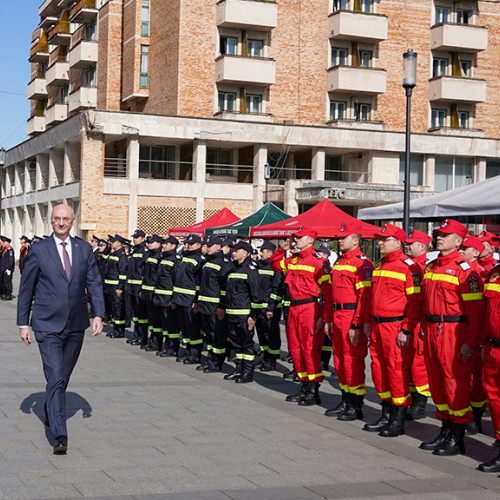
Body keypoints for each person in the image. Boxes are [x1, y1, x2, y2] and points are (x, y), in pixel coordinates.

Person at [17, 204, 104, 454]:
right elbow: (26, 289)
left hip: (76, 323)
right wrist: (24, 323)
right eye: (57, 219)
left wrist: (98, 313)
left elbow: (94, 283)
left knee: (63, 376)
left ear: (73, 220)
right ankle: (60, 434)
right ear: (51, 221)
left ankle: (49, 409)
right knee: (55, 375)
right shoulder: (39, 250)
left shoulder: (84, 248)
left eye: (66, 219)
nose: (62, 223)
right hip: (46, 324)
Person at [419, 219, 484, 456]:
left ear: (458, 241)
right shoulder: (431, 266)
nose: (439, 237)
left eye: (445, 235)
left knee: (454, 383)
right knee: (437, 383)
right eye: (438, 234)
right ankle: (445, 430)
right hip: (433, 332)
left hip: (454, 334)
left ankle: (458, 438)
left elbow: (476, 314)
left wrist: (470, 341)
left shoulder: (465, 271)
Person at [363, 224, 421, 437]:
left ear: (398, 243)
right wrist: (369, 321)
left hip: (395, 326)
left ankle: (397, 420)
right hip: (378, 326)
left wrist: (406, 329)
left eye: (384, 240)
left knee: (396, 372)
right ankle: (386, 414)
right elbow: (372, 298)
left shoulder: (408, 267)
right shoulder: (379, 265)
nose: (379, 243)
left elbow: (415, 303)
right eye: (379, 239)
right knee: (378, 370)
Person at [271, 228, 332, 406]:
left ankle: (313, 390)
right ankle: (304, 385)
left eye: (299, 238)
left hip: (310, 309)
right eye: (295, 237)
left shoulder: (319, 262)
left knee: (309, 349)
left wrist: (326, 316)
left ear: (310, 240)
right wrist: (282, 249)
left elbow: (328, 293)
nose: (295, 240)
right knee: (295, 349)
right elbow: (275, 264)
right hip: (294, 308)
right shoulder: (293, 260)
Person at [324, 222, 373, 421]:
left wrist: (356, 324)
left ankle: (356, 404)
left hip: (351, 316)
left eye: (343, 238)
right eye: (339, 237)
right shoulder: (340, 262)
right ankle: (345, 400)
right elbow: (330, 294)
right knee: (340, 360)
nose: (340, 240)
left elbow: (365, 298)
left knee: (353, 360)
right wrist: (327, 319)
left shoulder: (363, 263)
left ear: (355, 240)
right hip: (337, 316)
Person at [459, 235, 488, 435]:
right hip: (461, 333)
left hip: (478, 336)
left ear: (476, 253)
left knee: (477, 379)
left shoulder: (482, 274)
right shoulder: (460, 271)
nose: (461, 251)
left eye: (465, 248)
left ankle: (475, 417)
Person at [404, 229, 432, 421]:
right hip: (406, 319)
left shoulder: (425, 268)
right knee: (408, 362)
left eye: (410, 244)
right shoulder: (407, 265)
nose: (407, 246)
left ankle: (420, 404)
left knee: (418, 363)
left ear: (422, 247)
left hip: (419, 321)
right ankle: (412, 398)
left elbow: (425, 300)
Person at [223, 240, 261, 383]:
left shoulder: (250, 270)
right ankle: (238, 369)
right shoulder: (233, 269)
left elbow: (256, 295)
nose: (233, 253)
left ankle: (248, 372)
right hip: (232, 313)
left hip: (244, 315)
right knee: (236, 344)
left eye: (236, 251)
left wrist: (253, 316)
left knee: (247, 344)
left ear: (245, 253)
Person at [194, 236, 232, 372]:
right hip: (205, 305)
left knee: (217, 335)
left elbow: (225, 288)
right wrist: (197, 301)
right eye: (207, 246)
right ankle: (210, 360)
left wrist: (222, 306)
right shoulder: (207, 262)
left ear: (218, 247)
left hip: (215, 307)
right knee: (209, 335)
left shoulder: (224, 263)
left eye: (210, 246)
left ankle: (216, 363)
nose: (207, 248)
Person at [477, 262, 500, 472]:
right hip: (493, 348)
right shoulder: (494, 274)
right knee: (494, 400)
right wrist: (484, 342)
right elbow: (486, 313)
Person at [171, 234, 203, 363]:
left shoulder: (199, 260)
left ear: (198, 245)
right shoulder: (183, 258)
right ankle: (188, 351)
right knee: (184, 328)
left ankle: (194, 354)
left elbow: (199, 283)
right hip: (180, 299)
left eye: (190, 244)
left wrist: (195, 301)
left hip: (190, 300)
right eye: (186, 244)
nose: (187, 246)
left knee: (193, 329)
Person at [155, 236, 181, 357]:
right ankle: (166, 346)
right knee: (165, 324)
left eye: (167, 244)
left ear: (173, 246)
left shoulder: (175, 260)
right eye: (164, 243)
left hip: (169, 298)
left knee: (172, 324)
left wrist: (174, 299)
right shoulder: (164, 258)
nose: (164, 246)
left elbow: (177, 281)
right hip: (161, 297)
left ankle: (172, 348)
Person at [103, 235, 128, 338]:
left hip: (115, 287)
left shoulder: (121, 255)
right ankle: (115, 329)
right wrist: (108, 247)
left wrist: (120, 288)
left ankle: (119, 331)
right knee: (113, 309)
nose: (111, 243)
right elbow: (104, 257)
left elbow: (123, 273)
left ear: (119, 243)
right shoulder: (113, 253)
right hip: (109, 286)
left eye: (113, 242)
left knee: (118, 309)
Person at [126, 230, 148, 345]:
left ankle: (142, 337)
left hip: (138, 287)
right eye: (134, 237)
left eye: (137, 237)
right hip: (131, 287)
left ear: (143, 238)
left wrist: (141, 288)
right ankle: (136, 336)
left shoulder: (144, 251)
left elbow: (144, 272)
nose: (135, 239)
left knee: (141, 315)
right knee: (136, 315)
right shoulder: (135, 250)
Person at [0, 236, 15, 300]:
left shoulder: (10, 250)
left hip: (7, 269)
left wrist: (9, 268)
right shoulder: (5, 249)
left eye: (4, 242)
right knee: (4, 282)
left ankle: (9, 295)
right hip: (4, 268)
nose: (3, 243)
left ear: (8, 243)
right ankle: (6, 294)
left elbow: (11, 260)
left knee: (8, 282)